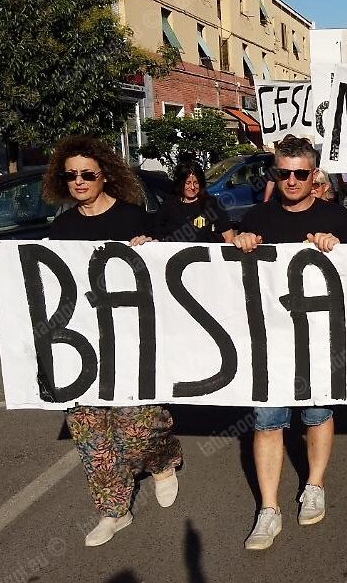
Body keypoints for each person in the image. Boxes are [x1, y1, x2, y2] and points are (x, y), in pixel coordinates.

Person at [42, 136, 184, 547]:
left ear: (105, 174)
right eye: (71, 176)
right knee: (91, 433)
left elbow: (166, 273)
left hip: (132, 343)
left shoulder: (133, 218)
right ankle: (113, 511)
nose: (79, 181)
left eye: (87, 174)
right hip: (83, 347)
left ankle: (161, 460)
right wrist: (1, 255)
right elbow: (45, 281)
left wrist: (151, 250)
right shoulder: (62, 228)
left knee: (139, 426)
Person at [234, 135, 347, 551]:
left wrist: (338, 249)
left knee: (317, 414)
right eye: (282, 172)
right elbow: (226, 267)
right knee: (267, 420)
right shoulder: (258, 216)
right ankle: (268, 509)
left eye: (299, 173)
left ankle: (314, 485)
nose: (290, 180)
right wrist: (236, 241)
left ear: (314, 174)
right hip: (270, 341)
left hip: (320, 340)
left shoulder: (337, 218)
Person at [155, 162, 235, 243]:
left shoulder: (212, 203)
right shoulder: (168, 205)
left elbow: (228, 235)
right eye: (188, 183)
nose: (192, 187)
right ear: (180, 183)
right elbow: (156, 236)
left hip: (204, 254)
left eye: (196, 183)